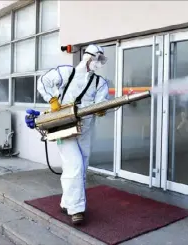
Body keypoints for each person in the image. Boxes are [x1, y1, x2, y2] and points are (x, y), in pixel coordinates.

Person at [25, 44, 109, 225]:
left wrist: (103, 110)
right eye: (96, 60)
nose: (97, 64)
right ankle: (77, 210)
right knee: (75, 165)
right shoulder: (66, 73)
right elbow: (43, 81)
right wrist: (52, 100)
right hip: (64, 127)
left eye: (100, 61)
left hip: (86, 130)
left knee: (80, 168)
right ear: (88, 58)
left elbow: (102, 103)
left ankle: (66, 202)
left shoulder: (99, 83)